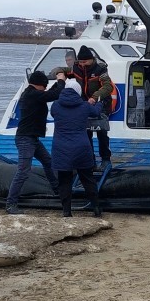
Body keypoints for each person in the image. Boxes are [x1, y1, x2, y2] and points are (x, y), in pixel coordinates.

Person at [5, 69, 66, 215]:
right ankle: (10, 203)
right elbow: (55, 94)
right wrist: (61, 80)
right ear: (38, 85)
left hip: (31, 138)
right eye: (44, 85)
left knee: (48, 161)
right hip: (26, 139)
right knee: (23, 171)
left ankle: (57, 190)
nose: (45, 88)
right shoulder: (32, 94)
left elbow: (48, 94)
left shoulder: (32, 93)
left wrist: (57, 83)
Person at [51, 78, 104, 217]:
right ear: (78, 92)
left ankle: (67, 212)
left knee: (64, 180)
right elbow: (96, 112)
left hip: (61, 148)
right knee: (87, 178)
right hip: (81, 147)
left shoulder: (56, 105)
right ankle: (96, 208)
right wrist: (99, 103)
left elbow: (53, 114)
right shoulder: (84, 106)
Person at [71, 45, 115, 170]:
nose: (82, 64)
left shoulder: (100, 69)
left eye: (84, 62)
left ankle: (106, 159)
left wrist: (95, 97)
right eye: (80, 62)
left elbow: (108, 87)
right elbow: (66, 70)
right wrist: (58, 71)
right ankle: (90, 160)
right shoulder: (76, 67)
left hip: (101, 103)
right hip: (85, 105)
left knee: (102, 133)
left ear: (91, 60)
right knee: (86, 133)